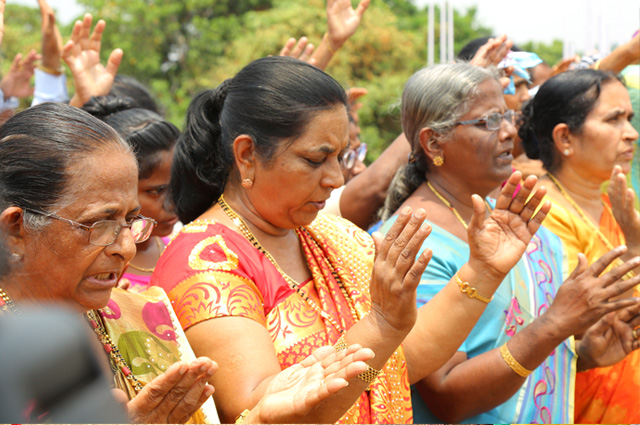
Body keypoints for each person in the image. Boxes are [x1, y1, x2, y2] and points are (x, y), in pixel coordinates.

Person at [152, 55, 560, 424]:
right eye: (315, 159)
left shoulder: (335, 236)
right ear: (246, 155)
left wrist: (483, 270)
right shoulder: (205, 257)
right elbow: (256, 405)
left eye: (340, 157)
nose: (336, 179)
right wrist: (382, 325)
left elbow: (399, 361)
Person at [0, 102, 380, 424]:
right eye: (99, 224)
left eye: (131, 221)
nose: (126, 249)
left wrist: (261, 418)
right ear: (16, 228)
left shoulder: (146, 314)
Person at [378, 62, 640, 424]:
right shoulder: (412, 242)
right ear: (434, 141)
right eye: (488, 121)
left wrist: (584, 355)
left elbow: (518, 347)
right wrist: (555, 324)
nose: (507, 133)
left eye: (507, 117)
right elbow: (448, 398)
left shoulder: (513, 218)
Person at [520, 68, 640, 423]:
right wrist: (635, 247)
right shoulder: (541, 213)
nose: (631, 134)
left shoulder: (611, 204)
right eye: (614, 119)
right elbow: (590, 325)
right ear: (565, 138)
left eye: (630, 119)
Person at [83, 95, 178, 292]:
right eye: (156, 191)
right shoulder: (96, 268)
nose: (174, 202)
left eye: (179, 184)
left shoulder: (181, 250)